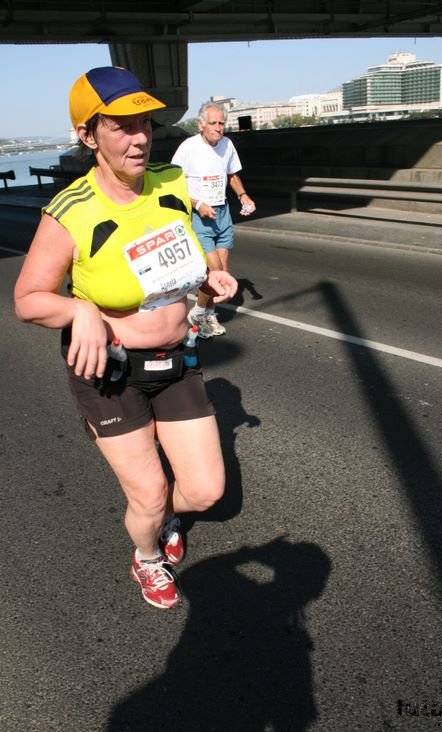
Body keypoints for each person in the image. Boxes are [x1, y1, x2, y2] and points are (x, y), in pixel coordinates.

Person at [14, 66, 237, 610]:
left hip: (176, 359)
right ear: (89, 135)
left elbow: (186, 247)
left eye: (145, 124)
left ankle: (162, 521)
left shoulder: (171, 182)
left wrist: (209, 274)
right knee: (149, 493)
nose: (139, 137)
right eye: (121, 126)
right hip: (110, 372)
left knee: (206, 492)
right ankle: (147, 558)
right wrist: (79, 309)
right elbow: (27, 299)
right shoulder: (72, 210)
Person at [171, 101, 256, 338]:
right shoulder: (188, 148)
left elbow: (232, 175)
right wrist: (197, 204)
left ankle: (203, 314)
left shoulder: (227, 145)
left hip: (223, 213)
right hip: (200, 216)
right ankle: (202, 313)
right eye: (213, 123)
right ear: (201, 125)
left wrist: (243, 195)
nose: (218, 128)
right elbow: (172, 186)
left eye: (222, 123)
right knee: (214, 273)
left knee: (224, 271)